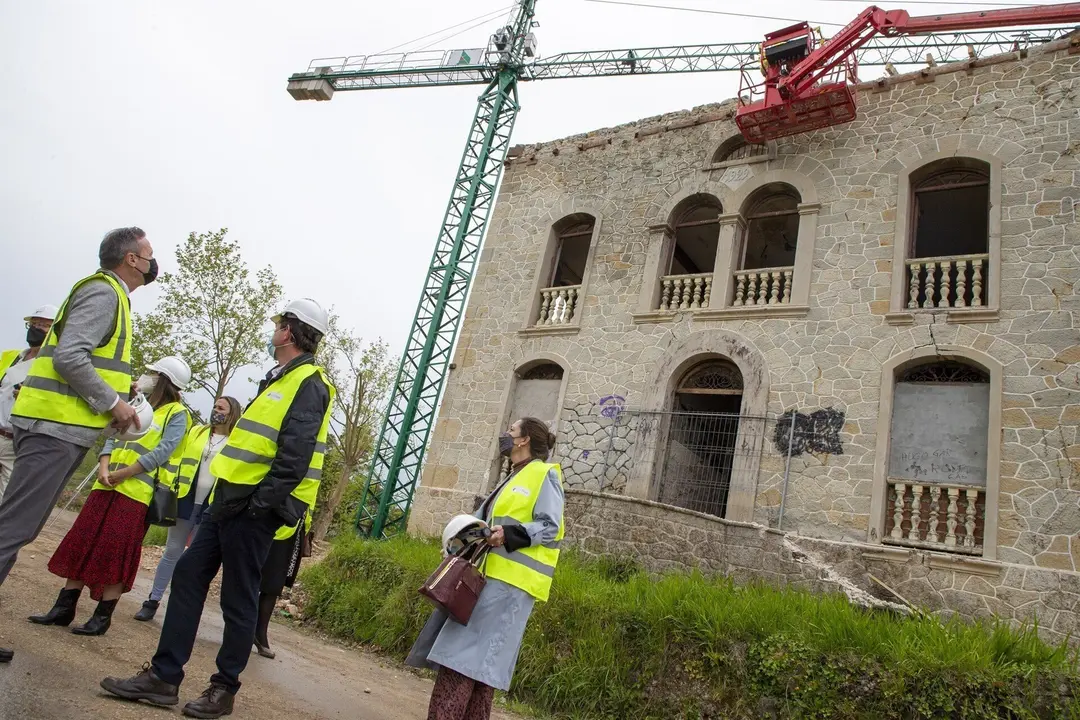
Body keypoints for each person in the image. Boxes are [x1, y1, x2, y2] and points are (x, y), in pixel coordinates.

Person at [101, 298, 336, 719]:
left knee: (237, 599)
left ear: (290, 332)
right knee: (189, 575)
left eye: (279, 324)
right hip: (227, 501)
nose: (274, 330)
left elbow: (294, 458)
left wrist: (259, 505)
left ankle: (222, 689)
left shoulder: (309, 384)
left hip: (253, 509)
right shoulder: (278, 379)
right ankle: (163, 677)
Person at [0, 227, 155, 664]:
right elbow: (70, 357)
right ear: (130, 259)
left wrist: (113, 386)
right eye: (148, 255)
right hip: (53, 429)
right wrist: (113, 403)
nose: (152, 263)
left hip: (59, 429)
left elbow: (81, 357)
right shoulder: (105, 293)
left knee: (16, 528)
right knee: (12, 529)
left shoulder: (111, 296)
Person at [407, 417, 566, 720]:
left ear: (524, 441)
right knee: (479, 670)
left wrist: (508, 535)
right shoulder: (511, 478)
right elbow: (487, 524)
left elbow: (551, 527)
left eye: (512, 431)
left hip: (510, 588)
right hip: (486, 581)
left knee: (461, 659)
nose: (505, 435)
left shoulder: (544, 475)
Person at [29, 356, 192, 636]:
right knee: (83, 541)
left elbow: (165, 450)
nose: (146, 375)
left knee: (115, 553)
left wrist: (126, 473)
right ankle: (63, 608)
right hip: (105, 485)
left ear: (164, 379)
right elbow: (114, 435)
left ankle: (102, 617)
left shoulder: (177, 414)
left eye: (152, 373)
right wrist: (104, 466)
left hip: (135, 492)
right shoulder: (138, 404)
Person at [134, 395, 242, 622]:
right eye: (214, 406)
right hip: (185, 499)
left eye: (221, 408)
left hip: (212, 506)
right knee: (172, 551)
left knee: (195, 559)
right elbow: (177, 457)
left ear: (232, 413)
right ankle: (152, 601)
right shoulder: (197, 432)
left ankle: (181, 608)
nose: (216, 410)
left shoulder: (236, 441)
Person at [0, 304, 59, 501]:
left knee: (4, 500)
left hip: (16, 442)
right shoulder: (10, 357)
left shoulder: (54, 365)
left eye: (43, 325)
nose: (36, 328)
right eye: (33, 324)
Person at [253, 506, 313, 659]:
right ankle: (240, 629)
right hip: (272, 521)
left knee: (274, 584)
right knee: (252, 577)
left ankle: (259, 633)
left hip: (292, 528)